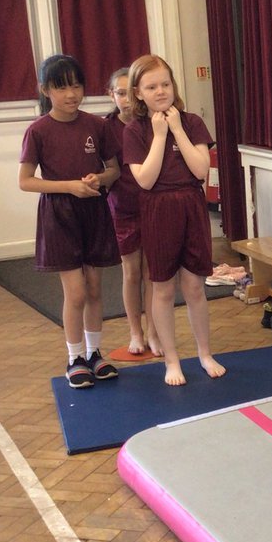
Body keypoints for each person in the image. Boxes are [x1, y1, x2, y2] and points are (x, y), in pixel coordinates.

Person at [18, 54, 121, 390]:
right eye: (62, 87)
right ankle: (74, 357)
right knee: (75, 293)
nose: (71, 94)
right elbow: (26, 181)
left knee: (94, 289)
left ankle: (94, 354)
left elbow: (114, 170)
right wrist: (70, 187)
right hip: (59, 214)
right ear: (46, 90)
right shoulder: (38, 130)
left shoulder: (98, 125)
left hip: (93, 210)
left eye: (76, 85)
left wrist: (97, 179)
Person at [122, 54, 224, 387]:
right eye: (151, 86)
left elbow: (199, 170)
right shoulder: (135, 131)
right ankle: (171, 360)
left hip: (191, 206)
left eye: (165, 83)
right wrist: (160, 135)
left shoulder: (192, 122)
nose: (160, 91)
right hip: (157, 209)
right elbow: (145, 180)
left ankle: (205, 353)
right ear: (138, 92)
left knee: (194, 287)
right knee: (162, 288)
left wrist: (177, 128)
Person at [105, 68, 160, 357]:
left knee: (153, 272)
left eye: (130, 92)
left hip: (151, 204)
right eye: (120, 93)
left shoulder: (149, 123)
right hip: (122, 207)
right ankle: (135, 332)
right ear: (111, 95)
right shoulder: (106, 128)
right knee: (131, 271)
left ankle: (153, 331)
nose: (126, 99)